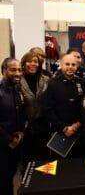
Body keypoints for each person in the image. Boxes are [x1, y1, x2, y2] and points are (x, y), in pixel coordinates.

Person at [43, 54, 85, 158]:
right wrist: (64, 128)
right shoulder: (52, 83)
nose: (70, 67)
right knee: (61, 167)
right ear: (61, 64)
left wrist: (78, 123)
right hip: (59, 131)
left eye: (73, 64)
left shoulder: (81, 82)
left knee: (78, 164)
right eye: (67, 64)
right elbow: (47, 109)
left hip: (78, 131)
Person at [0, 58, 25, 195]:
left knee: (10, 177)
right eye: (13, 70)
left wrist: (21, 133)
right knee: (3, 182)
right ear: (4, 71)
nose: (17, 73)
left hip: (16, 145)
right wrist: (9, 140)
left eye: (20, 70)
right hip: (3, 146)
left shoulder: (17, 90)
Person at [20, 52, 50, 162]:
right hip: (26, 127)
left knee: (44, 160)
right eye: (29, 61)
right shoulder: (18, 80)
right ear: (23, 64)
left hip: (43, 125)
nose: (33, 64)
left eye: (36, 62)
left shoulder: (46, 79)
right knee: (27, 160)